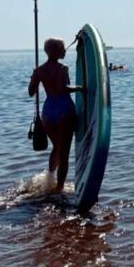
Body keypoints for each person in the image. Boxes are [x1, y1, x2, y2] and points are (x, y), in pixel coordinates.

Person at [28, 38, 84, 191]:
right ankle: (59, 189)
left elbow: (31, 92)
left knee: (56, 147)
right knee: (64, 153)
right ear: (55, 51)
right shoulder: (62, 68)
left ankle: (49, 179)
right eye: (63, 48)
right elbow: (62, 89)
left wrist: (35, 77)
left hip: (48, 111)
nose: (65, 51)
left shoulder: (39, 70)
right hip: (64, 110)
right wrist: (80, 88)